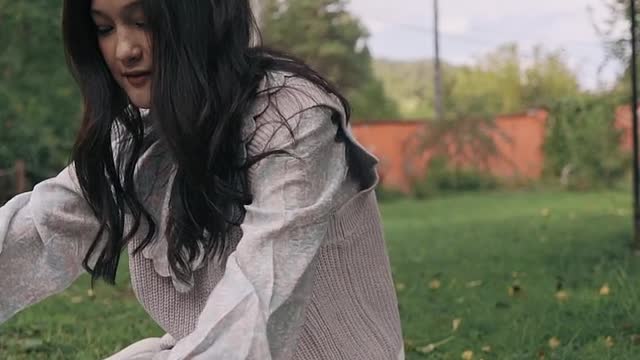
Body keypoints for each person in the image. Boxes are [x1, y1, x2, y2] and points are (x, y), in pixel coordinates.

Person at [0, 0, 404, 359]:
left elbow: (258, 305)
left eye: (143, 21)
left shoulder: (294, 121)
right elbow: (38, 227)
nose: (125, 50)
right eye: (105, 28)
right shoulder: (134, 138)